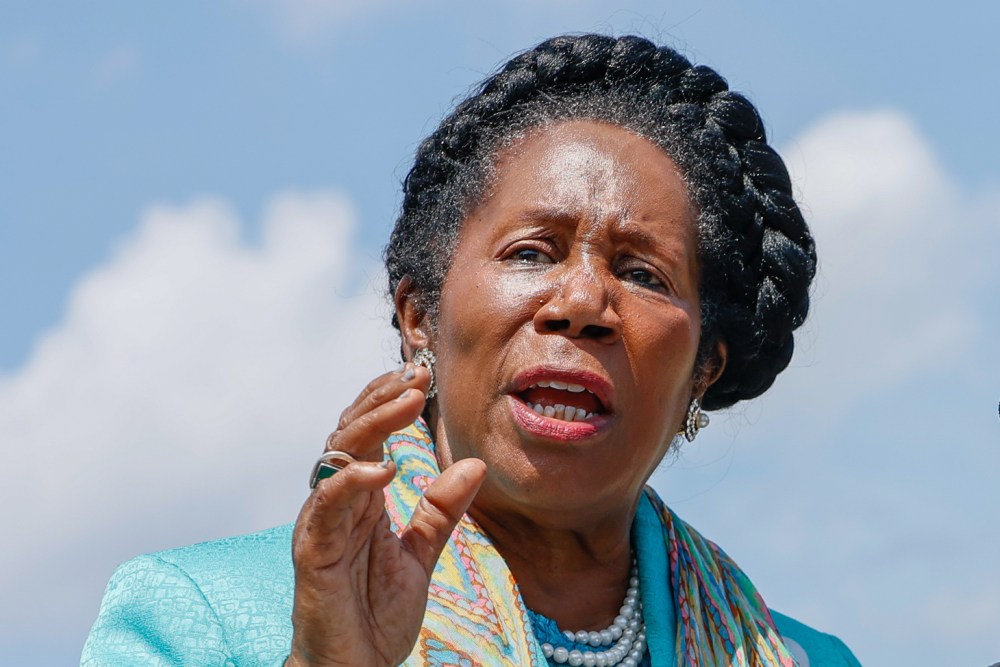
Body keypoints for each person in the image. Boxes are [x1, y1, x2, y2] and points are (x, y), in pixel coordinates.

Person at [82, 34, 862, 666]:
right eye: (531, 252)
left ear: (705, 367)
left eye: (641, 273)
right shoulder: (197, 620)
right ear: (419, 315)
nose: (581, 303)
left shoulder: (809, 659)